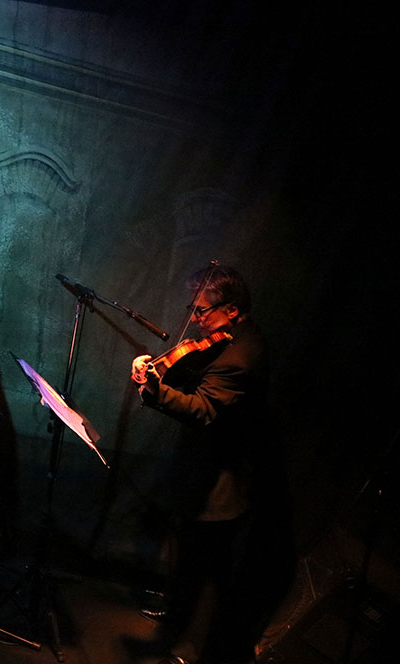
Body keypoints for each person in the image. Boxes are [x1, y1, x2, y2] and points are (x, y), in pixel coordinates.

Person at [130, 263, 290, 664]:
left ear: (232, 310)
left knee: (209, 578)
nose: (196, 319)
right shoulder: (227, 339)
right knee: (188, 565)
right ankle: (178, 629)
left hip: (222, 488)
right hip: (203, 475)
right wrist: (159, 370)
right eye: (195, 309)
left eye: (203, 311)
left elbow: (204, 409)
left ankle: (194, 650)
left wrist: (154, 388)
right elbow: (196, 378)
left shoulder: (241, 355)